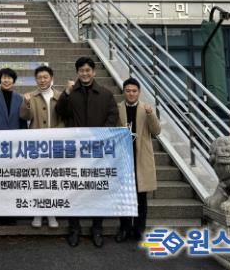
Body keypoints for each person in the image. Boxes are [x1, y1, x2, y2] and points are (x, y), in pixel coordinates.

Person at [56, 56, 119, 248]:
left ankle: (97, 228)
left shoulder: (106, 94)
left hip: (98, 150)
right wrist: (66, 93)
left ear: (94, 72)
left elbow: (112, 116)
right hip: (75, 151)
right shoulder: (70, 93)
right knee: (74, 189)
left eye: (88, 70)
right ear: (77, 73)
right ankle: (74, 228)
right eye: (81, 70)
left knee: (98, 190)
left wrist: (99, 137)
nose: (85, 73)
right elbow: (60, 112)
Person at [115, 77, 161, 243]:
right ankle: (125, 229)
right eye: (128, 90)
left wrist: (150, 114)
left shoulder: (146, 109)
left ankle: (139, 230)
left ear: (139, 92)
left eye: (134, 91)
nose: (131, 93)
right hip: (123, 158)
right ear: (123, 92)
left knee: (141, 198)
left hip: (141, 158)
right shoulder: (118, 108)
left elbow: (156, 131)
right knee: (124, 196)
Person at [20, 65, 62, 229]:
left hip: (56, 144)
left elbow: (65, 118)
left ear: (51, 78)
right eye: (39, 78)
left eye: (45, 77)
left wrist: (56, 133)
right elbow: (24, 116)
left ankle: (52, 213)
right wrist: (26, 104)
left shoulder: (60, 96)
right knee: (38, 179)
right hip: (37, 145)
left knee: (52, 180)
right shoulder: (31, 96)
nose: (42, 80)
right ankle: (37, 212)